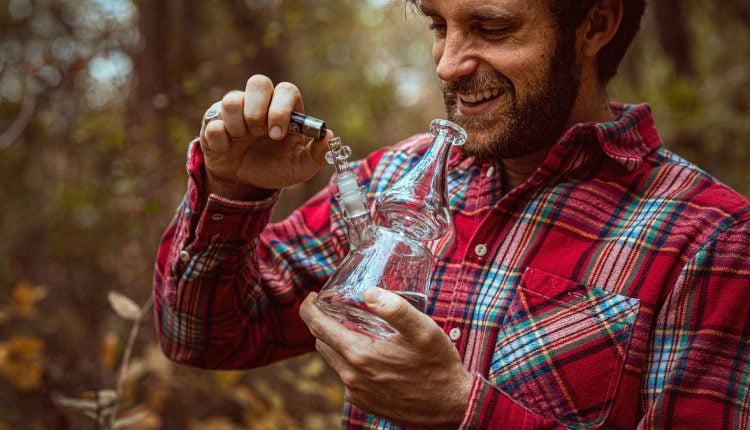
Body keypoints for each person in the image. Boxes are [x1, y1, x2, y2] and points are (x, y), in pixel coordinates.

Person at [153, 0, 750, 428]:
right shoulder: (392, 179)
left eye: (490, 26)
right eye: (439, 24)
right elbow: (202, 338)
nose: (448, 64)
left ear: (594, 24)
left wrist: (464, 411)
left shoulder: (709, 238)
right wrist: (232, 190)